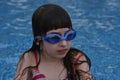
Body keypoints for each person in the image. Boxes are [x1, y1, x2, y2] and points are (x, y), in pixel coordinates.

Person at [14, 4, 93, 80]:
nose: (64, 44)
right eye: (54, 38)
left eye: (69, 35)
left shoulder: (76, 59)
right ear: (38, 40)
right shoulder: (31, 59)